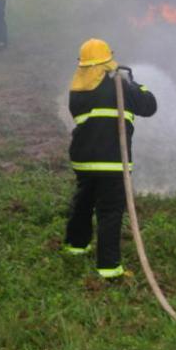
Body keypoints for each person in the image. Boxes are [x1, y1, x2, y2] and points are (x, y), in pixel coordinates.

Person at [62, 39, 157, 279]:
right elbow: (149, 106)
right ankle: (109, 267)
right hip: (113, 161)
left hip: (83, 159)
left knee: (83, 201)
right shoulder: (120, 86)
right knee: (110, 211)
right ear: (107, 61)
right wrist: (135, 84)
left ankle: (76, 245)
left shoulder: (77, 89)